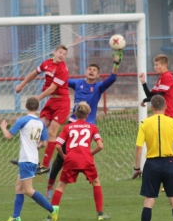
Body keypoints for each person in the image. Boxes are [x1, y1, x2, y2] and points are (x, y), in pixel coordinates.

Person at [44, 50, 123, 198]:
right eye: (90, 69)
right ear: (86, 72)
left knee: (83, 158)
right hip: (73, 123)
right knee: (61, 157)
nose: (91, 71)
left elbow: (112, 78)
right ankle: (50, 183)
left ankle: (93, 183)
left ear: (98, 75)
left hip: (88, 127)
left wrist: (116, 63)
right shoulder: (77, 83)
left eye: (94, 70)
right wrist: (54, 63)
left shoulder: (99, 87)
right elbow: (61, 79)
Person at [44, 102, 109, 221]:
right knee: (96, 182)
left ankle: (52, 216)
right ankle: (100, 214)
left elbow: (58, 145)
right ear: (88, 114)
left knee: (61, 185)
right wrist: (90, 153)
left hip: (71, 159)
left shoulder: (67, 128)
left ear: (74, 114)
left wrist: (64, 156)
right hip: (86, 159)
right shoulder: (92, 127)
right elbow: (100, 146)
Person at [0, 97, 57, 221]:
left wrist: (3, 127)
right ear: (37, 108)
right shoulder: (41, 123)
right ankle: (16, 217)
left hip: (26, 160)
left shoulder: (23, 120)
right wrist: (34, 146)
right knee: (19, 187)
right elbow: (44, 143)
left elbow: (8, 136)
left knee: (28, 190)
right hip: (32, 159)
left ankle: (52, 209)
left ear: (26, 106)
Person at [15, 45, 70, 174]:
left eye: (64, 54)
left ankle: (45, 165)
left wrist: (37, 98)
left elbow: (52, 88)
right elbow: (34, 74)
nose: (62, 55)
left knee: (51, 133)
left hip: (62, 103)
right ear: (54, 52)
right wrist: (21, 85)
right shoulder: (47, 63)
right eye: (60, 52)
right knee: (36, 129)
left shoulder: (62, 69)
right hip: (51, 101)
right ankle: (26, 158)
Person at [139, 54, 173, 121]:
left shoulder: (167, 76)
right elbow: (150, 95)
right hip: (163, 115)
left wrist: (145, 100)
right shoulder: (161, 78)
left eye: (157, 65)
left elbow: (158, 97)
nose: (155, 67)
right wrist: (143, 82)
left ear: (164, 66)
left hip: (169, 115)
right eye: (154, 65)